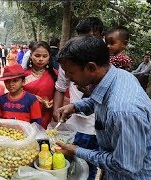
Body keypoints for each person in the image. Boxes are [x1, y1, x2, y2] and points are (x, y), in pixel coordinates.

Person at [54, 35, 151, 179]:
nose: (67, 77)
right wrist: (74, 106)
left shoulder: (123, 111)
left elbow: (126, 165)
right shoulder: (119, 76)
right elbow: (99, 100)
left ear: (91, 67)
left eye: (70, 72)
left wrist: (76, 151)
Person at [53, 17, 104, 180]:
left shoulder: (106, 65)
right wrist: (58, 111)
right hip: (74, 125)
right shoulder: (70, 62)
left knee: (90, 166)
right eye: (82, 39)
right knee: (71, 164)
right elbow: (60, 88)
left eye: (91, 38)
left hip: (97, 128)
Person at [23, 41, 58, 129]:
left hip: (47, 115)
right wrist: (31, 97)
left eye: (45, 56)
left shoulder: (55, 75)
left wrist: (55, 101)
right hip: (26, 114)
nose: (41, 59)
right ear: (31, 55)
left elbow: (62, 94)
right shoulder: (23, 75)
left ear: (49, 57)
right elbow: (14, 94)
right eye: (37, 56)